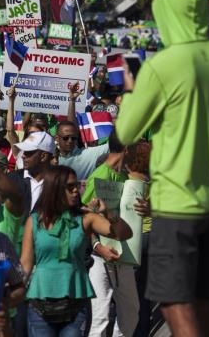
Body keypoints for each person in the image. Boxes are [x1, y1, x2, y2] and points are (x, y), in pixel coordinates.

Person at [115, 0, 209, 337]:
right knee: (205, 302)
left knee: (175, 304)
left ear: (165, 10)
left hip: (175, 204)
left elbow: (126, 132)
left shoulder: (162, 64)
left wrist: (131, 90)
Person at [20, 166, 133, 337]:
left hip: (76, 303)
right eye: (70, 187)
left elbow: (124, 234)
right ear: (55, 189)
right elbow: (25, 264)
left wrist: (108, 213)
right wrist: (11, 295)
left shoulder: (86, 219)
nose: (76, 191)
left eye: (77, 186)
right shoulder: (35, 221)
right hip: (39, 304)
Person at [81, 140, 151, 337]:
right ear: (127, 149)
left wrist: (149, 209)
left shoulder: (123, 176)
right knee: (100, 318)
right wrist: (97, 246)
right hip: (100, 257)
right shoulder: (100, 176)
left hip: (123, 254)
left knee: (131, 312)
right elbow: (82, 217)